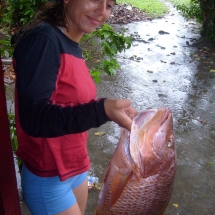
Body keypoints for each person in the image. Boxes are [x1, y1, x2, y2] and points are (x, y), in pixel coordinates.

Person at [13, 0, 138, 214]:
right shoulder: (44, 40)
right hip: (48, 177)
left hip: (77, 168)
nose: (102, 11)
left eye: (109, 5)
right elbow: (33, 118)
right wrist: (101, 110)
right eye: (94, 0)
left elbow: (70, 103)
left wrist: (110, 110)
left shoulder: (71, 43)